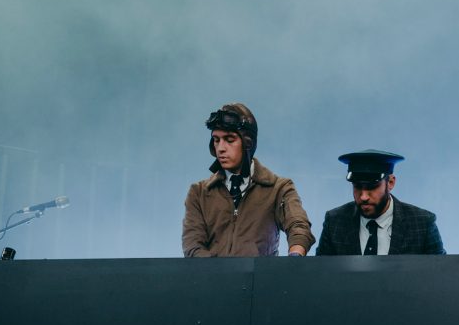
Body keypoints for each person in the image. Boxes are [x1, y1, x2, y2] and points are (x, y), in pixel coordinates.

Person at [183, 103, 314, 257]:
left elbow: (298, 226)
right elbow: (193, 245)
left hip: (262, 279)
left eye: (229, 139)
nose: (220, 148)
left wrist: (295, 256)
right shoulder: (198, 193)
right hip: (213, 279)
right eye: (216, 140)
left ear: (248, 143)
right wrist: (221, 275)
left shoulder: (279, 188)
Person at [315, 149, 445, 256]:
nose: (364, 196)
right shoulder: (335, 221)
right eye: (357, 186)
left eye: (372, 186)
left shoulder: (422, 223)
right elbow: (320, 275)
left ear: (391, 182)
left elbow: (439, 275)